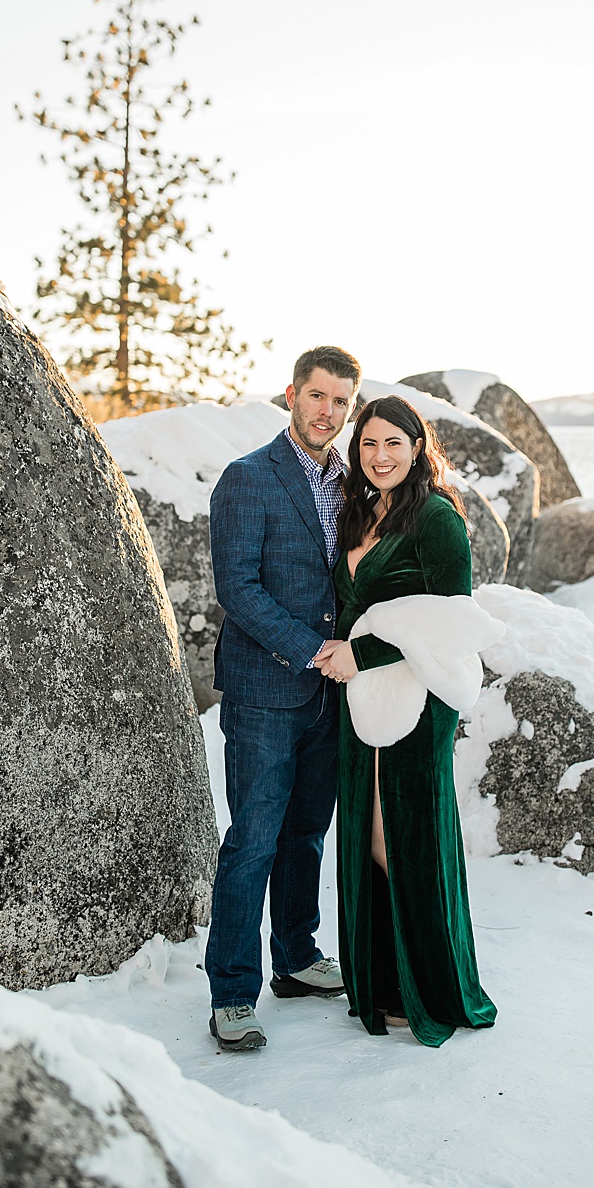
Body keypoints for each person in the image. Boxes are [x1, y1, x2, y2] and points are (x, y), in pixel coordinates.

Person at [316, 394, 498, 1047]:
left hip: (419, 698)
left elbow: (451, 618)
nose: (380, 455)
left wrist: (359, 654)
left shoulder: (437, 518)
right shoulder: (358, 513)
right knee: (366, 835)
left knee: (407, 836)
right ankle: (385, 979)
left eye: (394, 442)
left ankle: (433, 989)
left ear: (418, 447)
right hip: (363, 696)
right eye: (368, 443)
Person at [204, 345, 362, 1053]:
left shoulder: (353, 483)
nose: (328, 411)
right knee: (253, 842)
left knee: (306, 836)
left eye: (341, 401)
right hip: (267, 691)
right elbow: (239, 590)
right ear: (291, 395)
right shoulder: (247, 479)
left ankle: (296, 960)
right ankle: (233, 993)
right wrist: (312, 650)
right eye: (317, 396)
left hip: (331, 697)